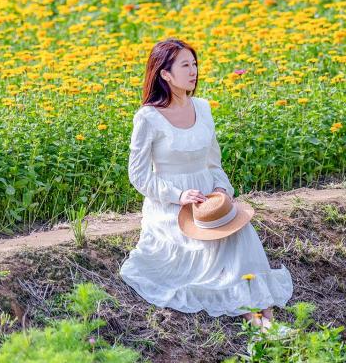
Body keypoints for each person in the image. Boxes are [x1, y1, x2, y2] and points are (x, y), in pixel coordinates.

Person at [119, 38, 293, 329]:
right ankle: (256, 322)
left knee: (242, 234)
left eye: (195, 64)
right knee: (212, 250)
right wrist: (179, 195)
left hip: (209, 199)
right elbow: (139, 175)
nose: (194, 71)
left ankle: (267, 320)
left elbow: (213, 163)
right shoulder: (148, 117)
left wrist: (223, 191)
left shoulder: (203, 107)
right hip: (172, 206)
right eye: (185, 65)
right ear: (165, 74)